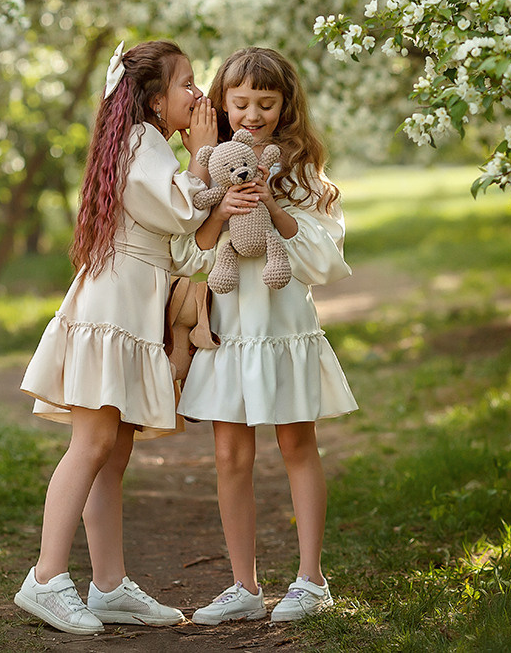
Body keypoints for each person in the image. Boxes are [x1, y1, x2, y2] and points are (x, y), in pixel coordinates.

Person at [14, 40, 217, 635]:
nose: (198, 94)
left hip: (131, 304)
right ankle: (46, 578)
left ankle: (108, 586)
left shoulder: (148, 144)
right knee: (93, 444)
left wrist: (197, 163)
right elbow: (183, 210)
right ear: (155, 100)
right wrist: (202, 154)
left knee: (113, 451)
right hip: (114, 308)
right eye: (187, 84)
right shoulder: (141, 145)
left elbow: (180, 239)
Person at [173, 46, 357, 625]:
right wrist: (219, 206)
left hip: (284, 329)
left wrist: (274, 202)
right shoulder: (210, 167)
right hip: (228, 331)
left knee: (297, 445)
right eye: (241, 102)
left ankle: (311, 580)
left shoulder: (302, 172)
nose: (253, 114)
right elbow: (185, 253)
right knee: (230, 454)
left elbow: (323, 261)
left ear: (285, 107)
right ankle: (243, 585)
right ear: (223, 105)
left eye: (267, 103)